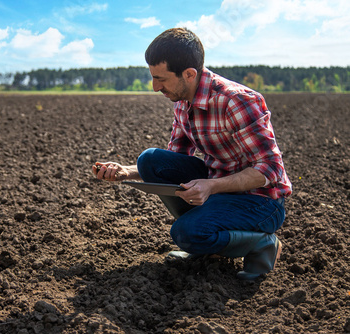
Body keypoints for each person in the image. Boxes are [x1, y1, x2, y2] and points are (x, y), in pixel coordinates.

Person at [92, 27, 292, 280]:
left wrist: (211, 185)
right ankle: (209, 238)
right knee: (150, 160)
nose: (155, 87)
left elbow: (271, 169)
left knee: (186, 233)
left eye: (161, 79)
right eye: (153, 77)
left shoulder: (236, 101)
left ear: (189, 74)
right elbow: (174, 159)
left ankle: (261, 243)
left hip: (260, 201)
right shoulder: (181, 101)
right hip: (219, 188)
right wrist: (125, 172)